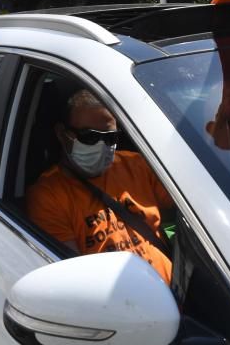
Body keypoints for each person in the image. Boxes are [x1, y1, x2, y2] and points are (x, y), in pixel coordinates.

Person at [27, 89, 174, 285]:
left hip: (174, 291)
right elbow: (75, 277)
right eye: (90, 137)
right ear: (62, 134)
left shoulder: (137, 165)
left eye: (110, 138)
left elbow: (192, 208)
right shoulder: (48, 196)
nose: (102, 146)